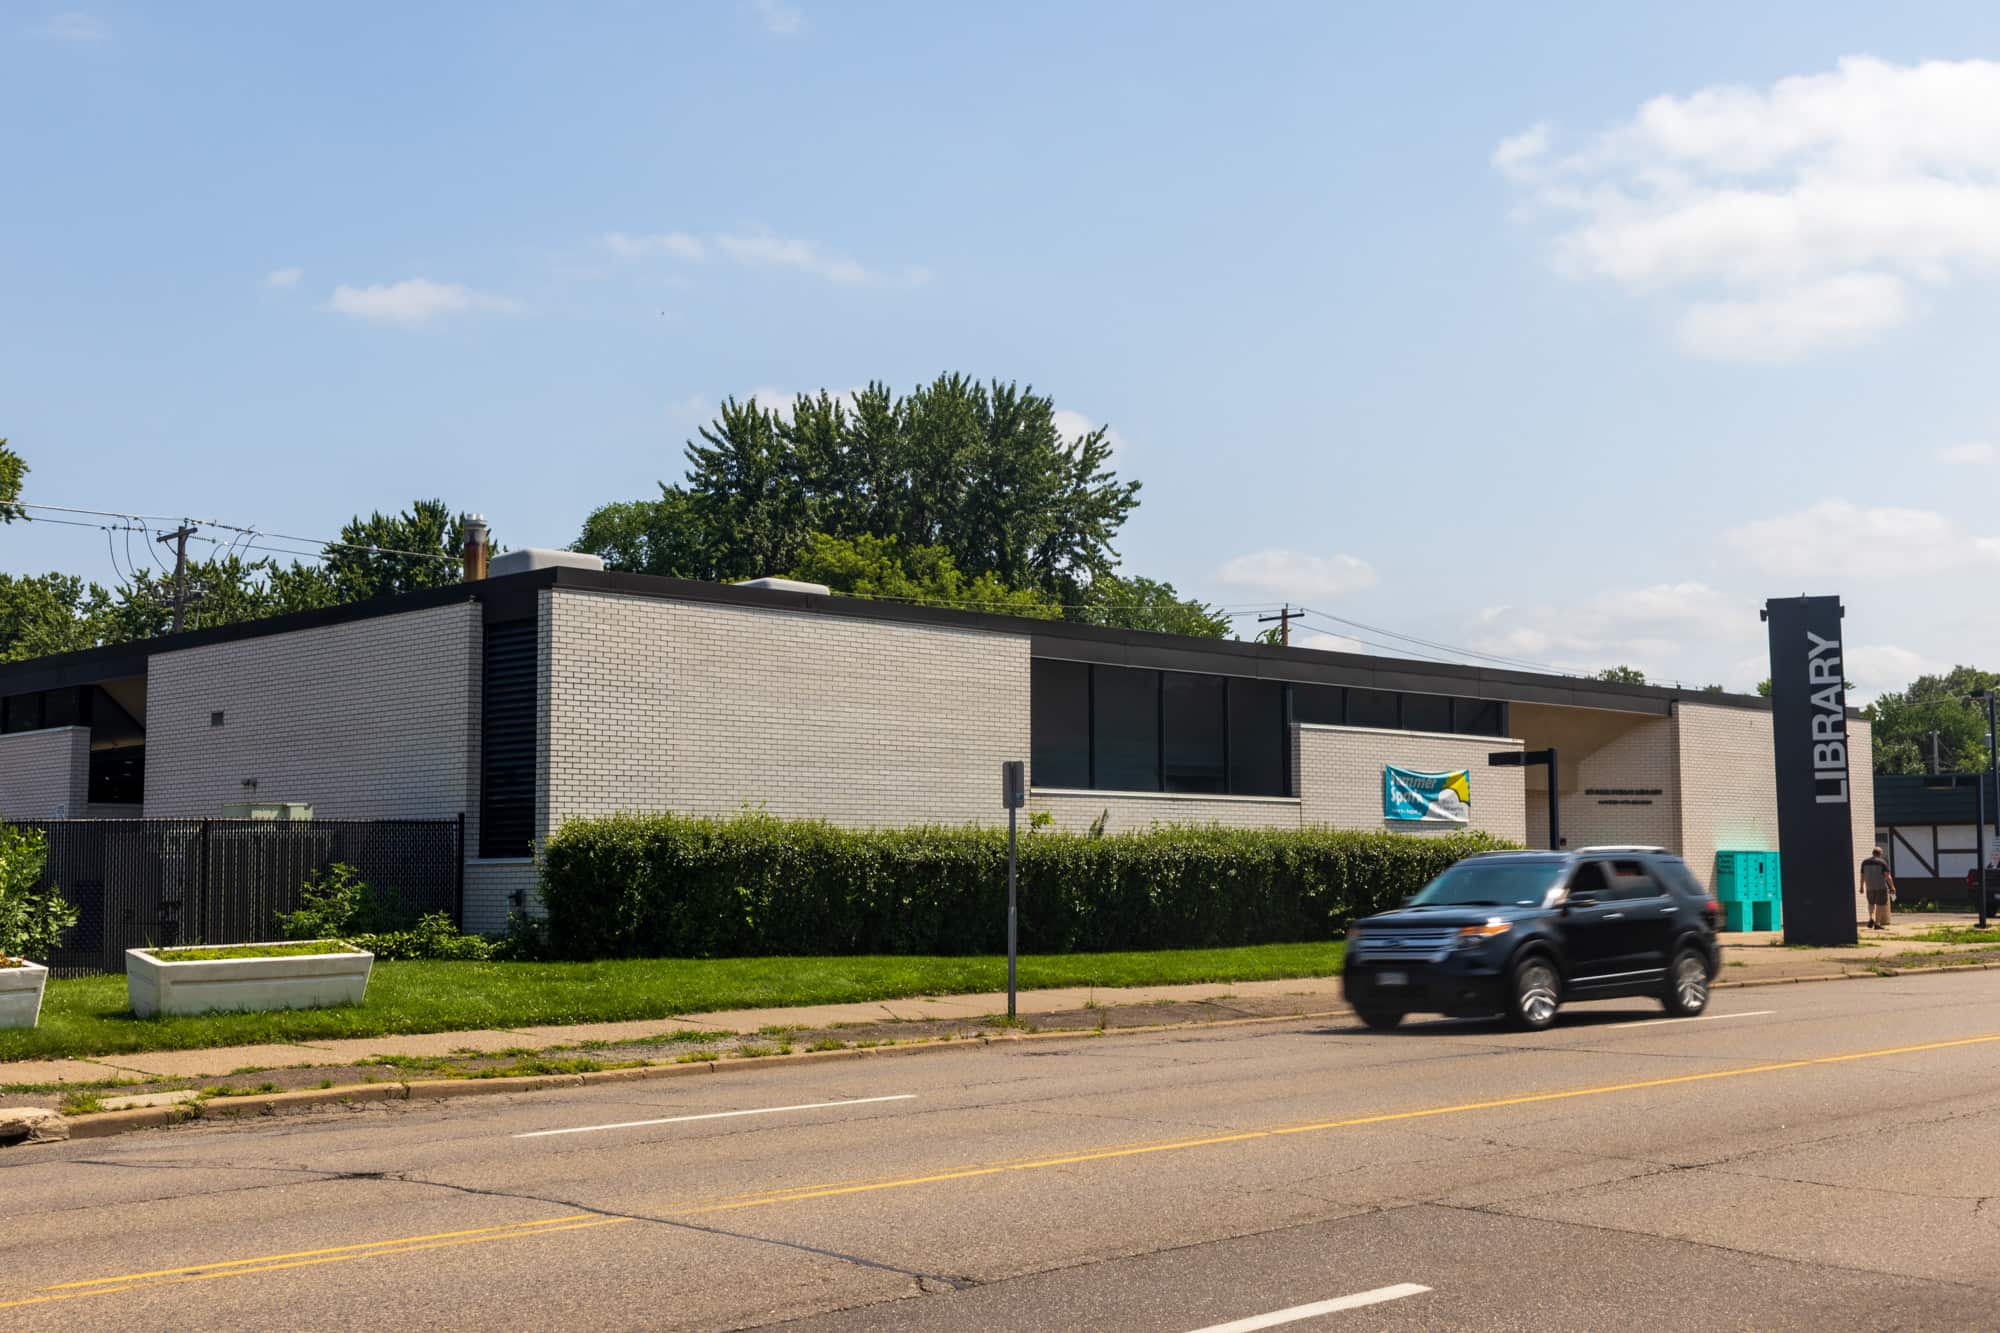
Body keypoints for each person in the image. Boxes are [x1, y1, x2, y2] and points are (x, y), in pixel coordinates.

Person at [1859, 847, 1896, 930]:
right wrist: (1892, 887)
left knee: (1871, 903)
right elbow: (1887, 876)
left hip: (1869, 887)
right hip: (1881, 886)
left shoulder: (1865, 862)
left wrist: (1861, 887)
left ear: (1873, 853)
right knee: (1880, 904)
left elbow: (1862, 875)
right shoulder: (1882, 862)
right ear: (1880, 853)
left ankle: (1871, 918)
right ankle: (1877, 923)